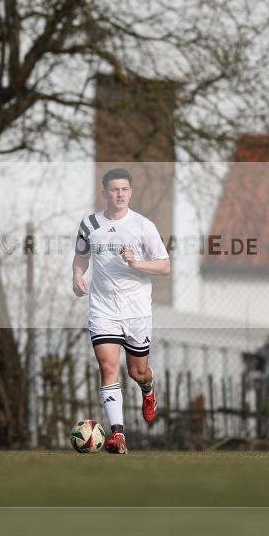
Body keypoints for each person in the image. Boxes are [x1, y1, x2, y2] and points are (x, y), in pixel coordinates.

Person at [72, 168, 171, 454]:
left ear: (131, 192)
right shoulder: (89, 224)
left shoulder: (143, 225)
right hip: (103, 309)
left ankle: (148, 389)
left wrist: (137, 264)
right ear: (104, 193)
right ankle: (119, 436)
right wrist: (78, 277)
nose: (119, 194)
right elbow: (80, 256)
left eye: (124, 189)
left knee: (137, 372)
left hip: (137, 310)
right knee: (108, 368)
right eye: (113, 189)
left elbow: (164, 266)